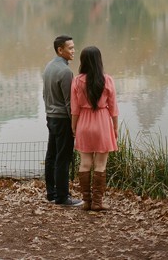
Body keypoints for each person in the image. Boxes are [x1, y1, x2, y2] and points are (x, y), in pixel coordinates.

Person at [71, 46, 119, 211]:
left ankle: (86, 202)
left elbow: (75, 109)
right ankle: (97, 203)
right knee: (100, 165)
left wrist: (74, 127)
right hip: (102, 122)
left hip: (84, 122)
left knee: (84, 164)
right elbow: (113, 108)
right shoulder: (107, 80)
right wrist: (115, 127)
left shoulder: (77, 81)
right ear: (99, 61)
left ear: (82, 61)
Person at [42, 35, 82, 206]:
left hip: (51, 117)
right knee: (63, 158)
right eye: (70, 48)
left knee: (51, 156)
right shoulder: (65, 72)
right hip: (63, 119)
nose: (74, 51)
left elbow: (45, 95)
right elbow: (69, 102)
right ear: (60, 50)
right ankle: (63, 197)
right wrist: (74, 125)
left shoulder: (49, 66)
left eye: (74, 47)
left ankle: (51, 193)